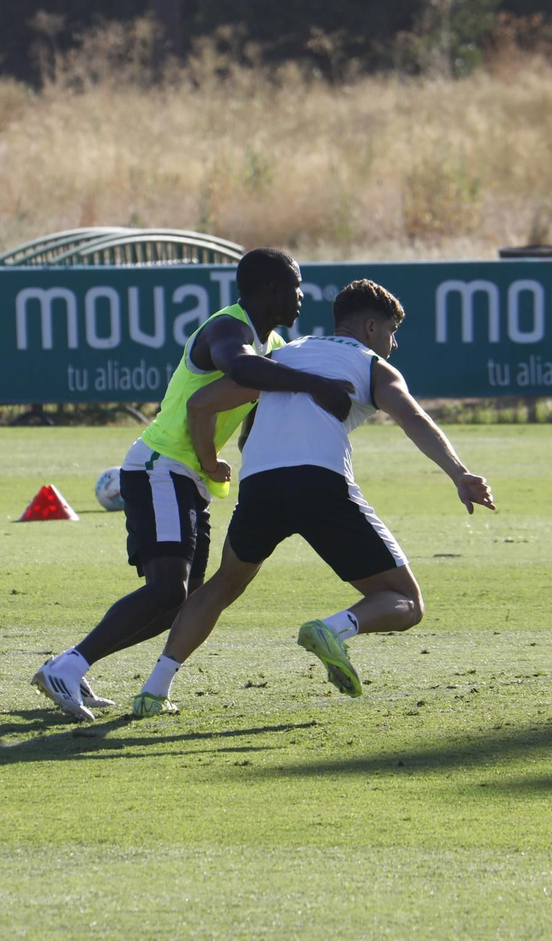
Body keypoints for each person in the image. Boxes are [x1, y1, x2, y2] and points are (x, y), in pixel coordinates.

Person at [128, 279, 495, 718]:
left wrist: (210, 461)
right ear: (371, 327)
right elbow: (412, 417)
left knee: (224, 584)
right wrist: (459, 473)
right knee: (407, 603)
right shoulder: (372, 365)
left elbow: (201, 403)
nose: (393, 344)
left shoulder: (283, 356)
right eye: (392, 332)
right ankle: (334, 629)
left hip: (260, 485)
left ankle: (153, 689)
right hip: (320, 483)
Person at [32, 248, 355, 720]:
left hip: (186, 478)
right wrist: (314, 383)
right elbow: (239, 368)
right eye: (296, 286)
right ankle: (69, 665)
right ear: (272, 289)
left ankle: (70, 666)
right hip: (160, 466)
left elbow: (253, 408)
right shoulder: (228, 328)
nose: (302, 297)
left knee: (177, 602)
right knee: (168, 591)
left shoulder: (270, 343)